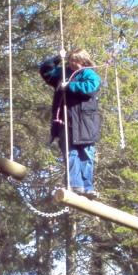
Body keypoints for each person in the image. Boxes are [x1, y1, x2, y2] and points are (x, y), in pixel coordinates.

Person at [39, 48, 101, 198]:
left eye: (76, 61)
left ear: (84, 61)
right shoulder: (63, 73)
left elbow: (90, 88)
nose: (73, 64)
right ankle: (75, 185)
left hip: (85, 124)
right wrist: (57, 59)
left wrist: (70, 86)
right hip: (66, 123)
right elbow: (45, 71)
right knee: (71, 153)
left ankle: (87, 187)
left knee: (86, 154)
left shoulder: (89, 74)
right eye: (71, 61)